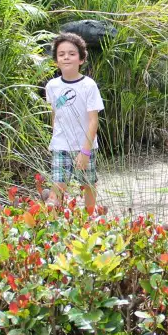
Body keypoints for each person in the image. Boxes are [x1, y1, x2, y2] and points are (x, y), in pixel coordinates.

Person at [45, 32, 104, 214]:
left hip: (84, 147)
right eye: (61, 54)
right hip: (61, 146)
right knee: (57, 185)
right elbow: (55, 114)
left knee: (88, 185)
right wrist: (55, 138)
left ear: (81, 58)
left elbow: (94, 121)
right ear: (56, 60)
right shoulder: (52, 86)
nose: (66, 57)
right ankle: (54, 223)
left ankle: (90, 221)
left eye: (72, 53)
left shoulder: (88, 85)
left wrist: (85, 151)